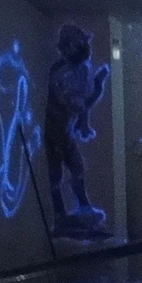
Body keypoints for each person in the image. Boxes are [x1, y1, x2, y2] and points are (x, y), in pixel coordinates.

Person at [45, 23, 110, 238]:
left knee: (76, 167)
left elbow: (82, 102)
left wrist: (84, 123)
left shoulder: (81, 69)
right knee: (59, 171)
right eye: (79, 44)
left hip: (67, 127)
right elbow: (76, 104)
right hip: (55, 128)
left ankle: (81, 209)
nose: (84, 48)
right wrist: (98, 86)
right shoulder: (59, 74)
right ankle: (61, 215)